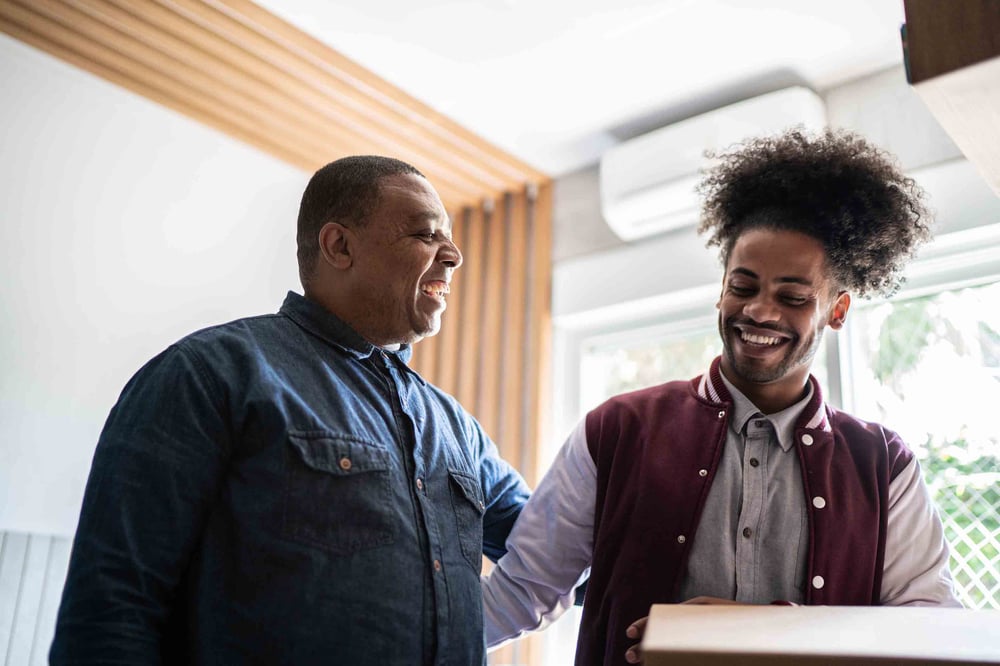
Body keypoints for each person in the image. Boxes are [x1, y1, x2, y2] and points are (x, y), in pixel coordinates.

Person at [481, 129, 962, 666]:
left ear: (838, 310)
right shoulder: (617, 429)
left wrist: (766, 632)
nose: (759, 310)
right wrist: (393, 640)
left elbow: (931, 624)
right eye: (743, 285)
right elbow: (524, 589)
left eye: (793, 296)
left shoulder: (883, 463)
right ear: (721, 288)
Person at [50, 156, 530, 665]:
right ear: (338, 246)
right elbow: (111, 608)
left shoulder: (458, 431)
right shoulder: (209, 374)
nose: (454, 255)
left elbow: (561, 548)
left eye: (448, 238)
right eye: (424, 234)